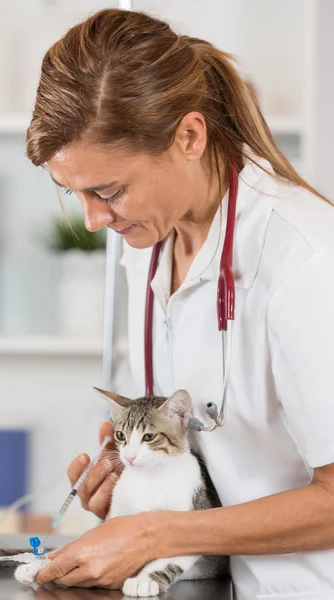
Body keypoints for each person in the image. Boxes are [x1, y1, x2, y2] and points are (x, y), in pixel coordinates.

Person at [25, 8, 334, 600]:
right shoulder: (146, 242)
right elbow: (214, 445)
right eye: (75, 193)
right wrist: (143, 488)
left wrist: (157, 533)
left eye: (108, 191)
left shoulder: (305, 259)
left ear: (189, 137)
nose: (93, 220)